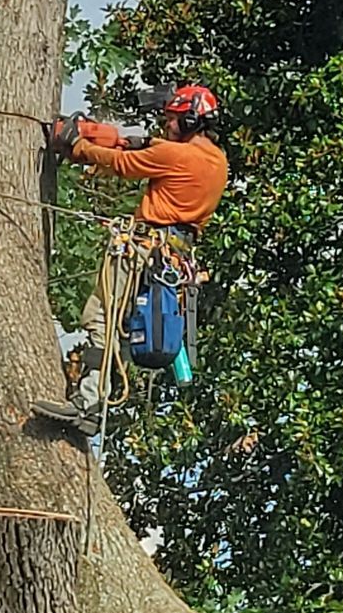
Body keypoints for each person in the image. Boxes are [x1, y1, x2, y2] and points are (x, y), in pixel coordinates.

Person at [33, 83, 227, 434]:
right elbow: (153, 151)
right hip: (172, 259)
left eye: (173, 120)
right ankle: (94, 401)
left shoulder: (176, 155)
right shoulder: (217, 162)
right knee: (121, 328)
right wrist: (130, 140)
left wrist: (77, 145)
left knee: (100, 319)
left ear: (190, 122)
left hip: (142, 249)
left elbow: (121, 164)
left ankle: (88, 403)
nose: (167, 125)